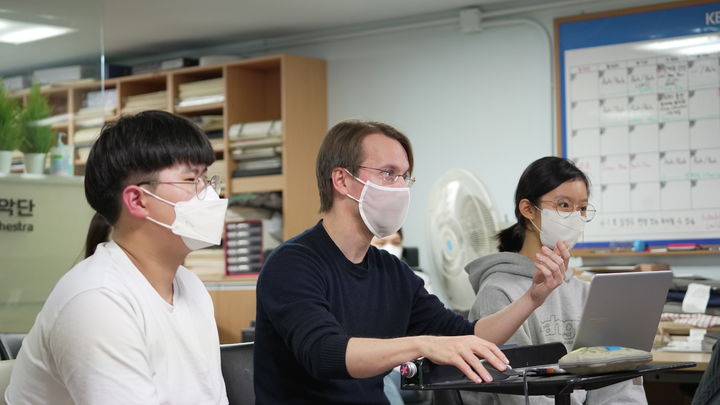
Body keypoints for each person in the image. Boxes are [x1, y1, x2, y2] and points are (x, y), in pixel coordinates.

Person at [254, 120, 570, 404]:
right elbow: (325, 354)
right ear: (342, 180)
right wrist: (422, 344)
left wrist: (532, 298)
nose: (401, 187)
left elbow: (466, 336)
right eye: (388, 173)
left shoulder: (391, 272)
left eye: (405, 177)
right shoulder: (292, 264)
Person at [5, 111, 229, 405]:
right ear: (137, 200)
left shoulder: (190, 287)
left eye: (206, 178)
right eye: (191, 179)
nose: (208, 193)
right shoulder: (96, 300)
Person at [462, 156, 647, 405]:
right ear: (528, 209)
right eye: (563, 205)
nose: (574, 216)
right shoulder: (498, 291)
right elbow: (518, 392)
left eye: (582, 208)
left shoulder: (586, 291)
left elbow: (614, 380)